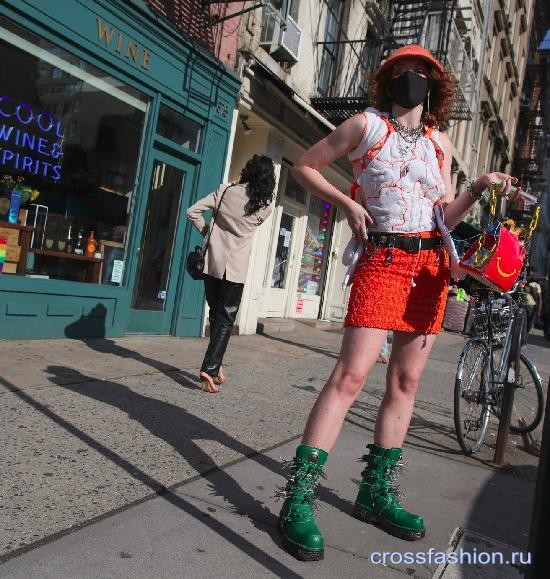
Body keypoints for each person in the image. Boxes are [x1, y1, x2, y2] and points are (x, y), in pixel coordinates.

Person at [276, 44, 519, 561]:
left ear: (435, 84)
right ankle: (298, 498)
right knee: (351, 375)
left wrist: (477, 187)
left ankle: (374, 492)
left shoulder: (439, 143)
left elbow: (442, 218)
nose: (414, 78)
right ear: (389, 79)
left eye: (424, 72)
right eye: (405, 71)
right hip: (383, 259)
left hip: (430, 267)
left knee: (405, 382)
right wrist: (346, 202)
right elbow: (304, 165)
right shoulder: (366, 126)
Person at [187, 155, 275, 393]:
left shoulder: (225, 190)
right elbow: (248, 226)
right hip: (235, 268)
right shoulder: (265, 205)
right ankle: (209, 368)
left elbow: (192, 211)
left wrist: (207, 233)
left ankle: (216, 367)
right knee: (225, 320)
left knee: (217, 317)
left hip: (212, 264)